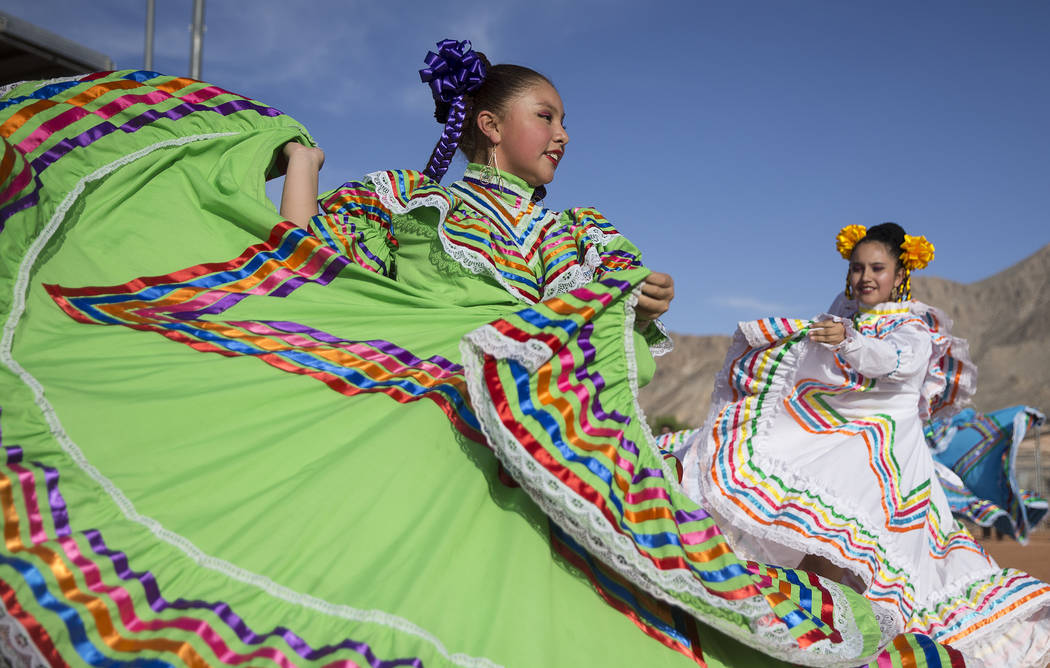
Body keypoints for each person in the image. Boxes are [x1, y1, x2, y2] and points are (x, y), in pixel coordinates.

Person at [0, 44, 967, 667]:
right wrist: (298, 161)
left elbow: (594, 317)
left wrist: (632, 301)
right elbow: (304, 260)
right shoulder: (407, 198)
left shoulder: (575, 229)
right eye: (546, 115)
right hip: (398, 380)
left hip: (510, 411)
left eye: (564, 120)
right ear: (490, 127)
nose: (564, 133)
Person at [680, 222, 1050, 666]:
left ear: (900, 275)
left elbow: (891, 360)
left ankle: (806, 647)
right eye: (857, 268)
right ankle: (794, 644)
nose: (865, 277)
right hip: (847, 452)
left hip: (884, 470)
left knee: (843, 566)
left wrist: (851, 342)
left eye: (877, 268)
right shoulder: (845, 321)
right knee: (819, 560)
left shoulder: (911, 327)